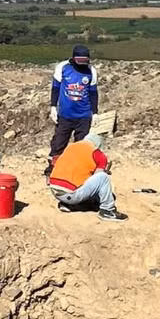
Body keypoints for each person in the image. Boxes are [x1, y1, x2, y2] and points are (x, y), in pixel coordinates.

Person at [48, 134, 127, 221]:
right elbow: (98, 177)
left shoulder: (71, 147)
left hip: (55, 190)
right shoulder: (97, 153)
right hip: (70, 194)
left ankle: (67, 204)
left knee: (76, 178)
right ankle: (107, 211)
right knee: (103, 178)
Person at [47, 45, 99, 175]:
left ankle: (77, 173)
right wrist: (53, 106)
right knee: (58, 143)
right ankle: (52, 171)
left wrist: (95, 113)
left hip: (84, 115)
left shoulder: (91, 71)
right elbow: (55, 88)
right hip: (65, 115)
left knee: (81, 146)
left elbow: (93, 93)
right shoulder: (63, 67)